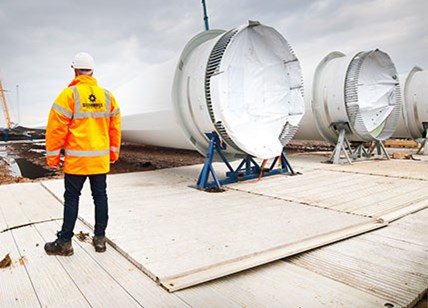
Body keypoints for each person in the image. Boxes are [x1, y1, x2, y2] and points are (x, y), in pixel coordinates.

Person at [44, 52, 121, 256]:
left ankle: (65, 242)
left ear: (74, 70)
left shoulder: (68, 95)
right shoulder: (107, 96)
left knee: (72, 198)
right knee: (100, 197)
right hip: (99, 161)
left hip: (77, 161)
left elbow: (55, 129)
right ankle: (100, 239)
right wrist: (113, 154)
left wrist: (53, 158)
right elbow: (115, 129)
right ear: (92, 71)